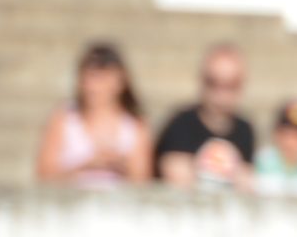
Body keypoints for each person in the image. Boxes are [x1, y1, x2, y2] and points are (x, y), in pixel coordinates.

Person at [33, 41, 150, 188]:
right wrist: (87, 165)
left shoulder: (134, 124)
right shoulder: (64, 117)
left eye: (102, 78)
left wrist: (119, 165)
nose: (94, 86)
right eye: (90, 77)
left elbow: (142, 181)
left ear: (120, 81)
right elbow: (44, 175)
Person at [154, 44, 257, 191]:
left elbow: (248, 183)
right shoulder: (180, 125)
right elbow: (173, 177)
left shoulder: (245, 130)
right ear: (201, 80)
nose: (221, 94)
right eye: (213, 82)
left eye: (231, 84)